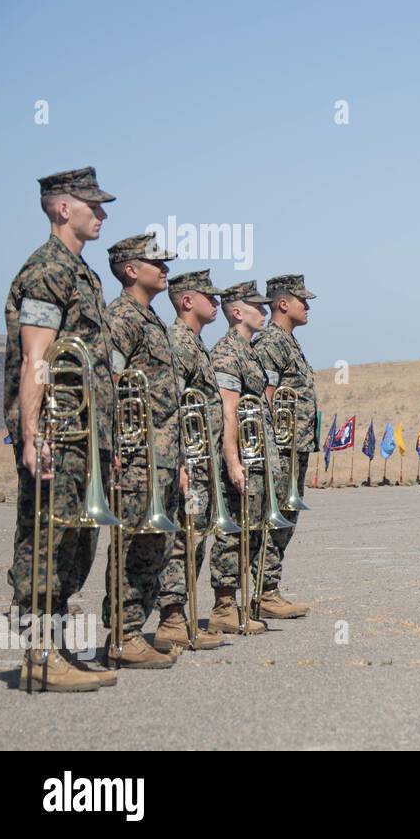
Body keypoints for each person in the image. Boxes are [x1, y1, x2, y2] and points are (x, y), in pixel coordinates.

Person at [5, 167, 118, 691]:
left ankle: (58, 648)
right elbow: (36, 358)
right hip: (57, 432)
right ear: (61, 208)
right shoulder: (47, 269)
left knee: (75, 544)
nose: (102, 214)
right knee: (44, 543)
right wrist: (32, 435)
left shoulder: (82, 273)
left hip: (84, 436)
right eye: (92, 205)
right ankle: (38, 654)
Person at [103, 233, 187, 667]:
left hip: (163, 455)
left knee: (156, 544)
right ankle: (123, 631)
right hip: (137, 454)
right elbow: (109, 384)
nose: (165, 269)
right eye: (157, 263)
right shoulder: (122, 318)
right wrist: (116, 445)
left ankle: (134, 627)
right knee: (134, 541)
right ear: (131, 270)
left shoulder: (149, 318)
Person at [157, 269, 230, 651]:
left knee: (196, 538)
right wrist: (184, 462)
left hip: (204, 463)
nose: (216, 303)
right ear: (188, 301)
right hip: (190, 462)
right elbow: (171, 406)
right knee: (183, 539)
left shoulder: (197, 343)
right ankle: (171, 619)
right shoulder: (180, 343)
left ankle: (182, 617)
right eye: (209, 297)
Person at [208, 281, 279, 634]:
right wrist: (233, 460)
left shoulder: (249, 351)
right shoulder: (226, 353)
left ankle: (241, 603)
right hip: (241, 461)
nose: (264, 312)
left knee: (252, 530)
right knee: (232, 531)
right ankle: (224, 605)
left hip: (258, 458)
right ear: (237, 312)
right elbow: (228, 411)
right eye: (257, 307)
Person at [254, 274, 317, 620]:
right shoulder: (271, 343)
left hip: (296, 445)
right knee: (274, 519)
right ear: (282, 304)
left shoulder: (288, 342)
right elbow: (265, 397)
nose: (306, 306)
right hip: (281, 447)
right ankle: (263, 591)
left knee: (285, 520)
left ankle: (268, 588)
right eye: (301, 300)